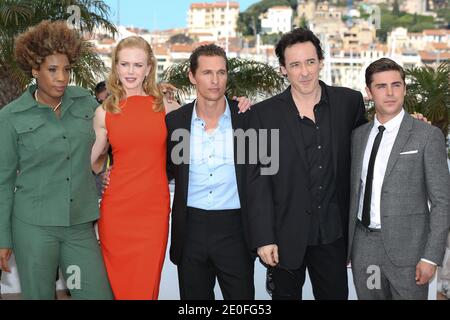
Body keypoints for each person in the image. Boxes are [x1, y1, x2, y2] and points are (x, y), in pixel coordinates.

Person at [246, 27, 367, 300]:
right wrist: (263, 237)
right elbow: (256, 182)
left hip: (334, 237)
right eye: (295, 64)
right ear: (283, 69)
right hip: (284, 238)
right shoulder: (261, 115)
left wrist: (414, 124)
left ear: (321, 62)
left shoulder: (350, 102)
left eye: (310, 62)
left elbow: (369, 147)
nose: (304, 72)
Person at [0, 20, 113, 300]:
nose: (62, 77)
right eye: (52, 70)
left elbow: (116, 130)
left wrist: (104, 166)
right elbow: (3, 181)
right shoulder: (11, 116)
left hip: (79, 226)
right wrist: (3, 238)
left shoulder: (85, 101)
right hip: (33, 227)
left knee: (95, 294)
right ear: (35, 70)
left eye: (66, 69)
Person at [347, 58, 450, 300]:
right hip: (364, 248)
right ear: (369, 92)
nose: (390, 93)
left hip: (410, 252)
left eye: (396, 84)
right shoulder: (357, 137)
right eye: (381, 86)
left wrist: (430, 257)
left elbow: (442, 202)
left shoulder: (427, 135)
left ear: (405, 88)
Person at [166, 44, 255, 300]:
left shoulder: (247, 119)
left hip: (236, 230)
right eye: (207, 73)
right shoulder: (175, 122)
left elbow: (265, 176)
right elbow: (162, 169)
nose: (215, 81)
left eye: (221, 72)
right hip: (190, 229)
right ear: (192, 76)